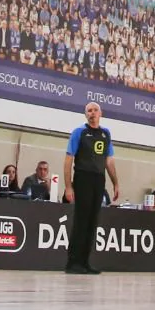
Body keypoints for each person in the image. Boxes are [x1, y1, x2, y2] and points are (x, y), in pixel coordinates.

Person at [63, 102, 119, 275]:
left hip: (98, 179)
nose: (92, 113)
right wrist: (68, 186)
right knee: (81, 220)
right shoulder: (79, 132)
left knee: (92, 221)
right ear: (85, 114)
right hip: (82, 177)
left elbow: (109, 161)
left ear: (101, 113)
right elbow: (68, 159)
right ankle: (73, 263)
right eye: (89, 111)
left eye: (95, 110)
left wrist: (115, 182)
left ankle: (85, 262)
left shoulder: (106, 134)